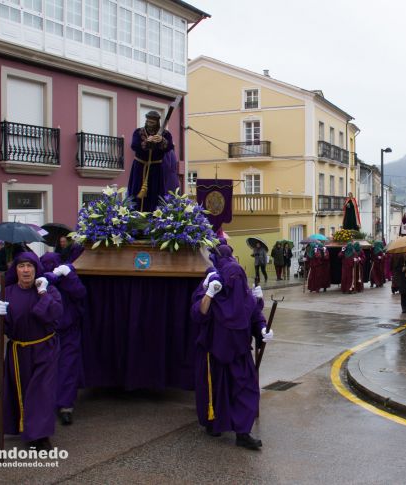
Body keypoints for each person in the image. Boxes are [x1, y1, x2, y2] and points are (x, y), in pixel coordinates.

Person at [190, 245, 273, 450]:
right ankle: (214, 423)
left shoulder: (244, 294)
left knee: (245, 390)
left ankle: (243, 432)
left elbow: (255, 316)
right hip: (214, 351)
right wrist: (209, 294)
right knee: (216, 392)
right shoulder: (211, 285)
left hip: (239, 352)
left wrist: (263, 330)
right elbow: (198, 314)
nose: (236, 281)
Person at [0, 252, 64, 450]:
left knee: (40, 391)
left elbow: (56, 316)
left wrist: (43, 294)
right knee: (21, 391)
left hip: (45, 348)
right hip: (18, 352)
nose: (26, 270)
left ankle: (40, 436)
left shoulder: (48, 291)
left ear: (36, 269)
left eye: (30, 266)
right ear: (15, 270)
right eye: (21, 266)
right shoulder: (5, 294)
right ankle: (22, 426)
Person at [40, 252, 86, 426]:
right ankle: (47, 403)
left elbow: (80, 293)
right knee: (47, 369)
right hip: (47, 333)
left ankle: (65, 405)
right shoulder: (42, 281)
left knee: (68, 368)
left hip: (69, 331)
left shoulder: (67, 276)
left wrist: (68, 275)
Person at [127, 110, 175, 212]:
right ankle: (135, 215)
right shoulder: (138, 132)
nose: (149, 124)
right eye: (148, 122)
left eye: (152, 123)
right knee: (136, 192)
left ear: (157, 122)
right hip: (139, 167)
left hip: (156, 169)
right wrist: (146, 142)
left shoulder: (165, 134)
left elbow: (170, 147)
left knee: (155, 193)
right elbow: (134, 146)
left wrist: (162, 140)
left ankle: (154, 217)